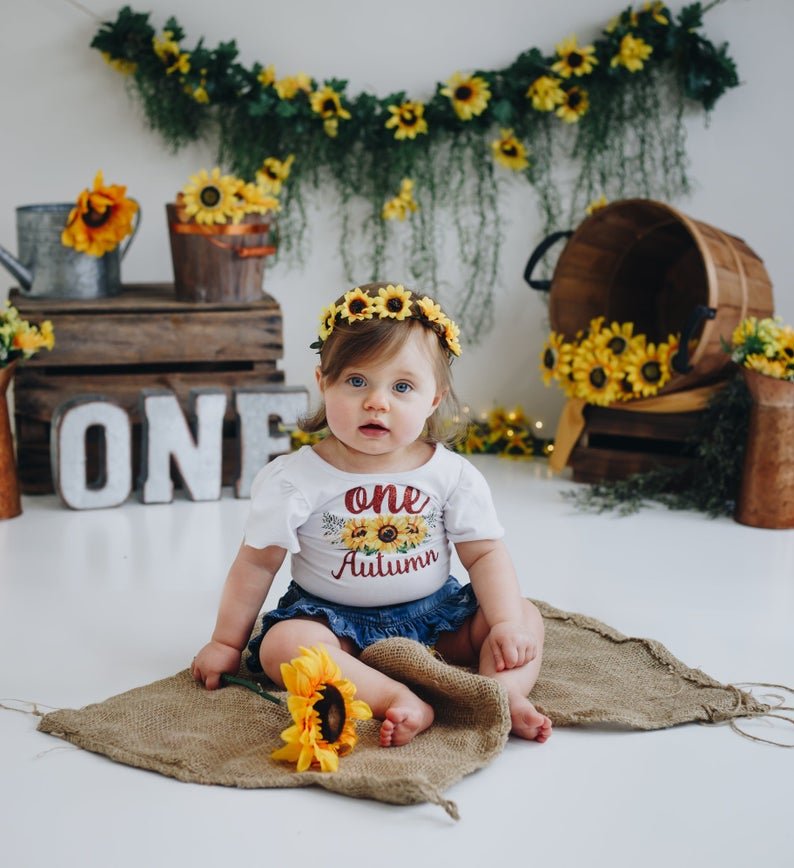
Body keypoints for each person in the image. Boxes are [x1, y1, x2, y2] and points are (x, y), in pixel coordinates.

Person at [192, 282, 552, 746]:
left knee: (524, 617)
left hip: (437, 619)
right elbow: (256, 564)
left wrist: (501, 623)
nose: (377, 402)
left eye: (402, 386)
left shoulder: (449, 475)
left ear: (434, 399)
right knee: (282, 648)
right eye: (357, 381)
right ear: (323, 382)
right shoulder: (295, 479)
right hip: (333, 624)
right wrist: (226, 643)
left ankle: (500, 696)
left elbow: (484, 555)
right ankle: (394, 697)